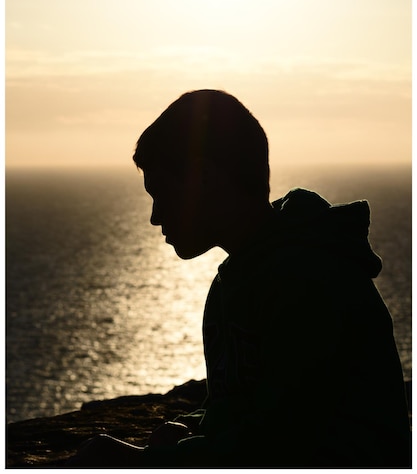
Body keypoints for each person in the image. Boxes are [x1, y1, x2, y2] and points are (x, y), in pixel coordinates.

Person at [66, 89, 410, 467]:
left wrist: (145, 461)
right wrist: (184, 431)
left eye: (161, 193)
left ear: (205, 180)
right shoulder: (235, 280)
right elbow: (243, 413)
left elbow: (284, 447)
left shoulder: (311, 283)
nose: (155, 216)